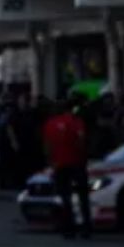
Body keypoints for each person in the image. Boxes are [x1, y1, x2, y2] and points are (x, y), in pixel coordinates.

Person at [44, 100, 91, 239]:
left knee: (65, 197)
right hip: (76, 163)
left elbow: (47, 146)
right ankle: (86, 227)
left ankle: (68, 228)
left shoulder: (50, 123)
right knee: (83, 196)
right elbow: (81, 141)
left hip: (59, 164)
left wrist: (51, 162)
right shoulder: (77, 122)